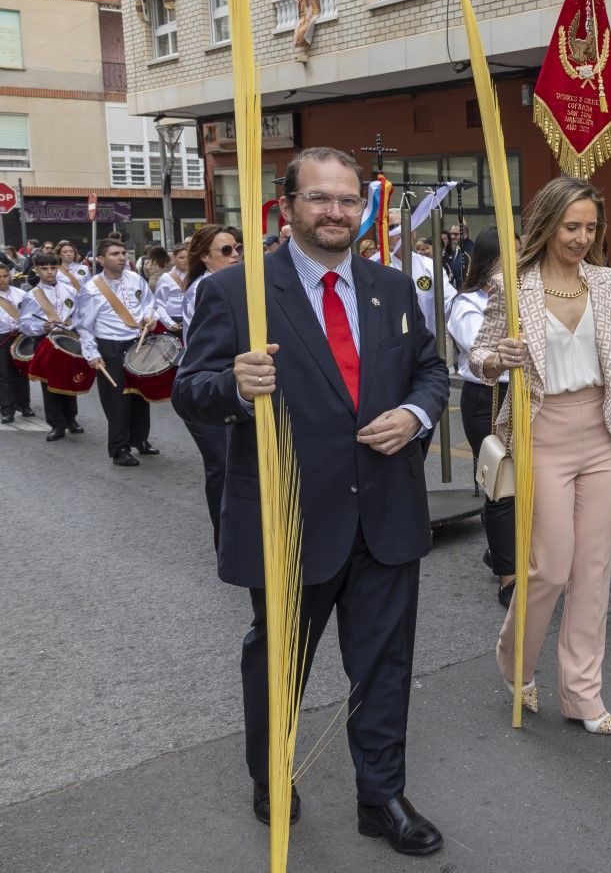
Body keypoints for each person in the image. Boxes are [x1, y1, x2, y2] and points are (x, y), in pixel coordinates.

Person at [174, 147, 448, 854]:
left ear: (363, 208)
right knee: (279, 665)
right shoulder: (237, 293)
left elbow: (430, 370)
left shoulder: (390, 286)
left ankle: (381, 796)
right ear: (287, 206)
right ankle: (272, 775)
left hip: (386, 511)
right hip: (290, 516)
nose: (336, 212)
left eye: (348, 200)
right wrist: (235, 386)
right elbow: (190, 391)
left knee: (384, 667)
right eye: (320, 199)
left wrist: (417, 415)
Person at [470, 175, 611, 734]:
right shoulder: (512, 284)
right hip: (540, 430)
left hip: (600, 431)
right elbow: (477, 358)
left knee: (594, 568)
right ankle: (515, 661)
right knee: (550, 565)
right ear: (547, 225)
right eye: (571, 226)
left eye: (590, 227)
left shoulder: (602, 281)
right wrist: (501, 355)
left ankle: (583, 695)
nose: (581, 237)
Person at [446, 227, 516, 608]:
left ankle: (503, 548)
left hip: (526, 393)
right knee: (501, 482)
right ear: (491, 262)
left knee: (531, 482)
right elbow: (482, 350)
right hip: (487, 396)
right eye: (512, 255)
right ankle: (509, 577)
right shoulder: (467, 303)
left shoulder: (528, 295)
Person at [177, 224, 243, 548]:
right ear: (204, 257)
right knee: (221, 466)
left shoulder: (227, 284)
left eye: (238, 248)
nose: (236, 256)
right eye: (226, 251)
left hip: (228, 384)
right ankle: (226, 540)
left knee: (232, 464)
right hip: (206, 386)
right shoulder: (206, 289)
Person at [74, 238, 159, 467]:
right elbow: (83, 325)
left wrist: (149, 318)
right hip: (110, 346)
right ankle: (119, 448)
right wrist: (91, 352)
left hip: (136, 342)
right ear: (101, 259)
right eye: (115, 254)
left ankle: (141, 439)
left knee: (140, 396)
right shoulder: (92, 289)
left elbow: (149, 304)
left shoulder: (135, 279)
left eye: (123, 253)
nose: (122, 257)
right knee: (116, 400)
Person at [18, 251, 82, 440]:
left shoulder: (70, 289)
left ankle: (71, 418)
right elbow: (25, 324)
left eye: (53, 268)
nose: (49, 272)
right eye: (44, 268)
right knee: (50, 382)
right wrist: (42, 325)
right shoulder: (32, 295)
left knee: (70, 378)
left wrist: (73, 322)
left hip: (68, 338)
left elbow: (79, 312)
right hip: (46, 340)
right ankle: (57, 424)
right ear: (36, 270)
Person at [0, 264, 35, 424]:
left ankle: (24, 405)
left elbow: (30, 316)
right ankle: (7, 410)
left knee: (22, 373)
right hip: (1, 338)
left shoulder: (21, 294)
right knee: (4, 375)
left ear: (10, 276)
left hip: (21, 337)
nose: (2, 280)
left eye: (5, 276)